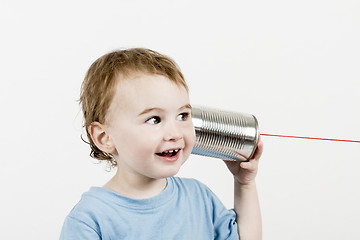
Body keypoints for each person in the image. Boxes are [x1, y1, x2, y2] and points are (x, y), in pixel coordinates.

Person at [60, 48, 263, 240]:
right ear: (105, 137)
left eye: (183, 115)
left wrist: (244, 183)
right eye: (154, 119)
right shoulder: (90, 220)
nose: (175, 133)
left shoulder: (199, 198)